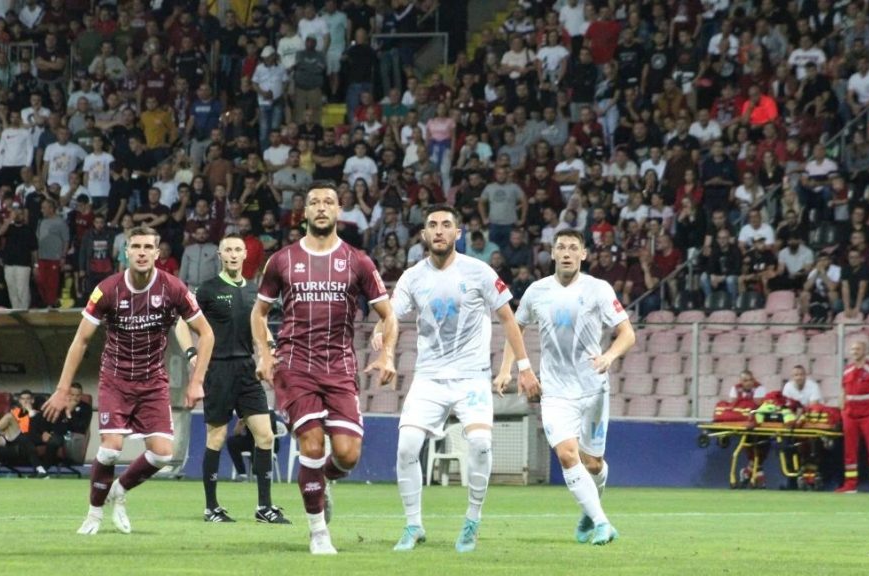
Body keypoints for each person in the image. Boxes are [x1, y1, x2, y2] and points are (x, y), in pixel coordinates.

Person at [380, 205, 541, 553]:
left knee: (481, 444)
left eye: (446, 225)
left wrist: (524, 366)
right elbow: (391, 316)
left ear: (458, 233)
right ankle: (413, 525)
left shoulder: (479, 272)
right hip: (429, 378)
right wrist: (382, 337)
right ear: (423, 234)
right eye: (432, 225)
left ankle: (472, 521)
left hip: (472, 378)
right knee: (406, 447)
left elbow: (509, 319)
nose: (439, 230)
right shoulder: (412, 277)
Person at [251, 181, 398, 555]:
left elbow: (388, 314)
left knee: (347, 455)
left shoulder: (357, 261)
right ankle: (318, 533)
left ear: (338, 210)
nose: (321, 207)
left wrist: (387, 354)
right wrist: (265, 354)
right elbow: (259, 312)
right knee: (312, 444)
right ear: (304, 212)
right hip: (295, 366)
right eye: (314, 202)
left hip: (340, 367)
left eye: (328, 202)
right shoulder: (282, 260)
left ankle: (324, 479)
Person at [42, 225, 215, 535]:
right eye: (136, 247)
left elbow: (207, 333)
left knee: (163, 454)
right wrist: (62, 388)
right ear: (126, 252)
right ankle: (94, 514)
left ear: (157, 253)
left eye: (148, 247)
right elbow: (81, 340)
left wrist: (196, 381)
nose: (142, 252)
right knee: (110, 449)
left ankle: (119, 490)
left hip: (153, 381)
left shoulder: (173, 288)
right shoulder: (107, 290)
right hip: (116, 378)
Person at [495, 230, 635, 545]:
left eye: (573, 248)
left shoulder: (598, 289)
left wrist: (609, 355)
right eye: (561, 247)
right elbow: (516, 328)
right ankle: (602, 523)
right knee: (567, 455)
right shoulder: (537, 291)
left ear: (583, 254)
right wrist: (509, 369)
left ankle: (590, 509)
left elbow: (627, 333)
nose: (567, 253)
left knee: (593, 464)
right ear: (553, 253)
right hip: (556, 392)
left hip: (593, 389)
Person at [175, 233, 290, 525]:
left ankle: (264, 507)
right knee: (216, 437)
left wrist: (270, 348)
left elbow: (260, 324)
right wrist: (191, 354)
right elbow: (181, 324)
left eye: (238, 249)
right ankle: (211, 508)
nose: (234, 254)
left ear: (245, 255)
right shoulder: (207, 290)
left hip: (246, 370)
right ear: (220, 255)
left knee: (265, 435)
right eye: (228, 250)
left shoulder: (254, 291)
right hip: (217, 370)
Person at [836, 340, 869, 494]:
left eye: (858, 349)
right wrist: (842, 410)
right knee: (850, 452)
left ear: (865, 351)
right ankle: (850, 485)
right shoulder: (847, 370)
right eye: (853, 349)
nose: (855, 352)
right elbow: (843, 392)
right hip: (850, 416)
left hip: (868, 416)